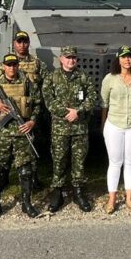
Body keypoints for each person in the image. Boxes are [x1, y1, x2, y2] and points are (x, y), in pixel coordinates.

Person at [0, 53, 41, 219]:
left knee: (26, 171)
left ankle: (26, 203)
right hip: (2, 134)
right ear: (4, 67)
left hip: (23, 132)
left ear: (18, 66)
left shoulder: (28, 84)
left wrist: (32, 122)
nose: (12, 67)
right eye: (9, 65)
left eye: (14, 64)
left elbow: (37, 105)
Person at [42, 46, 98, 213]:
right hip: (60, 128)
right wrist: (65, 113)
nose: (71, 60)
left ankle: (78, 192)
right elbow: (48, 99)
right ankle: (57, 193)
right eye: (67, 57)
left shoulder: (83, 77)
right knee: (59, 161)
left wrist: (78, 112)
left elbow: (92, 97)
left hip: (79, 127)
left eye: (73, 57)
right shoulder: (52, 77)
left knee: (79, 162)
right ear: (61, 59)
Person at [100, 45, 131, 214]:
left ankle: (129, 198)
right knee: (115, 162)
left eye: (130, 57)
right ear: (118, 59)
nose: (127, 60)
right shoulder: (109, 79)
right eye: (124, 57)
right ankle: (111, 199)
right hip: (114, 124)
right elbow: (104, 103)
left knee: (130, 161)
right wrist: (103, 124)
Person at [13, 31, 50, 190]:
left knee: (34, 143)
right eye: (19, 42)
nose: (22, 45)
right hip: (15, 110)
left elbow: (46, 84)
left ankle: (34, 177)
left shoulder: (37, 63)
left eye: (25, 42)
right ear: (14, 43)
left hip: (34, 109)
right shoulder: (9, 63)